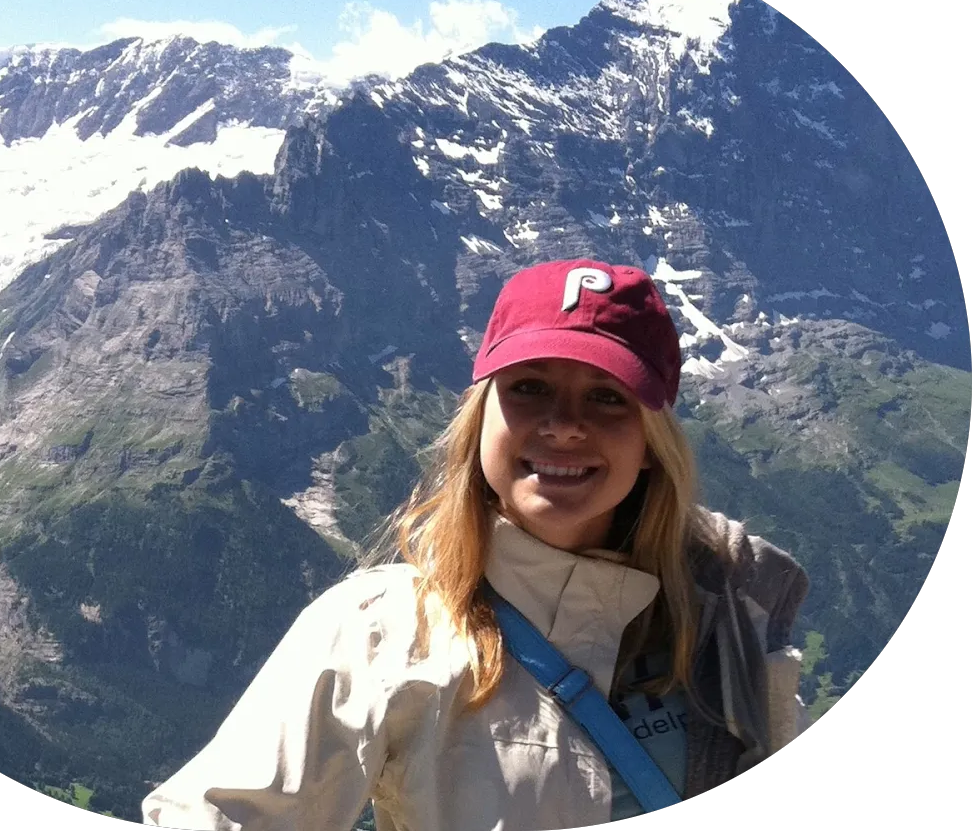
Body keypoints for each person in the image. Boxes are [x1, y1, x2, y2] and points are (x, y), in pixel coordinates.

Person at [141, 259, 811, 829]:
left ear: (651, 445)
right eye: (529, 388)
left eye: (607, 398)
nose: (564, 426)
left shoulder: (727, 608)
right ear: (479, 418)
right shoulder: (378, 631)